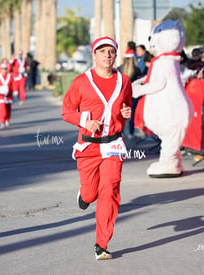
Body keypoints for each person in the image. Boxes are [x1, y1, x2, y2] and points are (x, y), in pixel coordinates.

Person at [62, 37, 132, 260]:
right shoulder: (81, 82)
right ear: (94, 55)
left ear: (116, 55)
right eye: (102, 51)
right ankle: (85, 194)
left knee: (110, 191)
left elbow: (126, 105)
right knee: (92, 192)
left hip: (113, 145)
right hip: (89, 147)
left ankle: (101, 244)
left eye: (111, 51)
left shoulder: (124, 81)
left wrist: (126, 113)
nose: (107, 55)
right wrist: (84, 121)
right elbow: (67, 111)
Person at [118, 47, 142, 140]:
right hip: (133, 94)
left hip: (121, 95)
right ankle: (131, 133)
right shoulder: (137, 69)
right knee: (131, 115)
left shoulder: (119, 69)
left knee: (121, 114)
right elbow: (140, 82)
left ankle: (121, 133)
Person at [0, 62, 18, 128]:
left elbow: (14, 84)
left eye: (5, 68)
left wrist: (15, 91)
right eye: (2, 69)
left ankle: (7, 120)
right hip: (1, 96)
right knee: (2, 109)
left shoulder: (10, 76)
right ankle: (2, 121)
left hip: (9, 96)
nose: (4, 70)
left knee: (8, 109)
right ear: (0, 69)